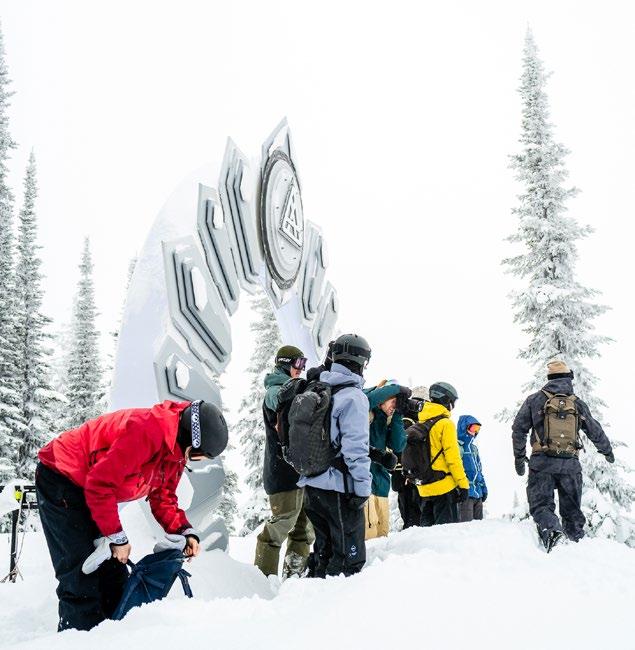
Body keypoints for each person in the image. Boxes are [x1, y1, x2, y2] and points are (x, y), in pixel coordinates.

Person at [36, 399, 228, 632]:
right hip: (62, 477)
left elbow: (163, 496)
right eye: (200, 456)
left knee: (113, 574)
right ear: (193, 443)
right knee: (82, 573)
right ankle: (76, 639)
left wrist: (185, 531)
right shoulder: (145, 432)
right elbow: (100, 484)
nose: (194, 461)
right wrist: (117, 537)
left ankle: (114, 635)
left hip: (92, 489)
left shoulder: (175, 450)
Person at [512, 360, 614, 551]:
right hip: (570, 466)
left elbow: (518, 429)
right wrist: (607, 450)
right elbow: (594, 430)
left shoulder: (534, 400)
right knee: (572, 512)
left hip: (541, 465)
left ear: (549, 378)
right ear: (569, 379)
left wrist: (519, 457)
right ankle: (577, 546)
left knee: (541, 506)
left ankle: (553, 534)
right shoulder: (577, 403)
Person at [298, 333, 372, 577]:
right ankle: (334, 599)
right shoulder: (353, 397)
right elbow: (355, 450)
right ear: (360, 361)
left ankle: (311, 595)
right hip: (340, 489)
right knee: (347, 563)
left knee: (324, 553)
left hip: (312, 485)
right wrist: (362, 488)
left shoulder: (319, 387)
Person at [254, 345, 315, 578]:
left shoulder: (296, 388)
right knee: (281, 525)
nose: (301, 369)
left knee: (304, 530)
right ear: (285, 363)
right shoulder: (274, 389)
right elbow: (277, 399)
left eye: (304, 364)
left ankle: (294, 578)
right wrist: (293, 391)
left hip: (300, 472)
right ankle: (263, 579)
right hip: (281, 474)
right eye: (298, 363)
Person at [413, 382, 469, 526]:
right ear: (446, 400)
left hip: (424, 490)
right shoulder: (445, 424)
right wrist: (463, 485)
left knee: (427, 535)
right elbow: (453, 459)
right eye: (452, 402)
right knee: (446, 535)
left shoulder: (421, 423)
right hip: (444, 489)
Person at [364, 381, 408, 538]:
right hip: (365, 486)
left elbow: (398, 445)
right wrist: (397, 389)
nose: (394, 406)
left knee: (381, 538)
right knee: (368, 540)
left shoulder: (387, 420)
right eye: (393, 401)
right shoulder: (365, 409)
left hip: (382, 487)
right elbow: (367, 397)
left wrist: (398, 415)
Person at [393, 387, 428, 528]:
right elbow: (400, 447)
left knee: (414, 518)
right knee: (413, 519)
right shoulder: (409, 421)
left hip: (409, 477)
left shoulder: (411, 421)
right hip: (408, 478)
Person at [457, 415, 487, 522]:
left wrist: (483, 488)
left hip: (478, 494)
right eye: (473, 428)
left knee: (479, 527)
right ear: (464, 428)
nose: (475, 432)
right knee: (466, 526)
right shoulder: (458, 447)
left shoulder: (474, 449)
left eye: (477, 429)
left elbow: (479, 471)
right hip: (466, 494)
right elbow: (455, 469)